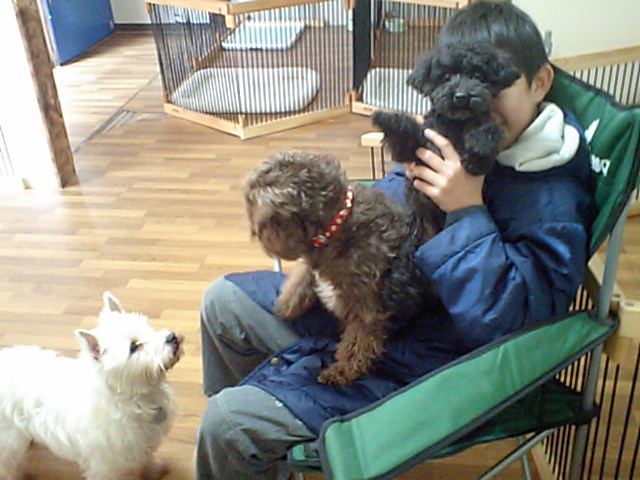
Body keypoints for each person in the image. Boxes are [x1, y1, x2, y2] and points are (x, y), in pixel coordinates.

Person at [195, 2, 595, 479]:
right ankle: (265, 441)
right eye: (454, 80)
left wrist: (466, 211)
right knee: (222, 301)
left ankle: (259, 429)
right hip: (375, 305)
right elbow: (385, 215)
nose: (473, 99)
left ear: (540, 82)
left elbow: (510, 328)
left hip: (429, 364)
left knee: (227, 425)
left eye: (494, 81)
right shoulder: (449, 135)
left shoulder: (552, 202)